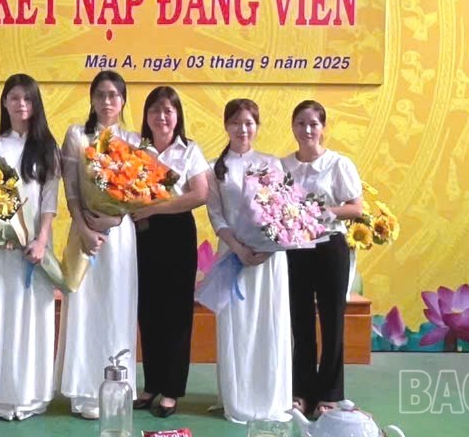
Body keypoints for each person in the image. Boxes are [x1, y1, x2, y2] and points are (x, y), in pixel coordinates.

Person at [0, 74, 61, 421]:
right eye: (14, 98)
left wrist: (41, 240)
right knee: (2, 314)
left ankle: (31, 395)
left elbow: (50, 200)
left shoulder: (47, 147)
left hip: (36, 247)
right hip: (2, 248)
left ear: (35, 104)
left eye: (27, 98)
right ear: (4, 102)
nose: (21, 104)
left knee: (34, 316)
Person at [55, 70, 142, 419]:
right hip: (85, 232)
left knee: (117, 307)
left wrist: (114, 220)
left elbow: (139, 192)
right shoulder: (77, 135)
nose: (107, 101)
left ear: (123, 101)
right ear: (91, 99)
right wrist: (84, 227)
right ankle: (83, 390)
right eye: (101, 94)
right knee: (85, 306)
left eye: (114, 95)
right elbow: (72, 189)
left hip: (120, 237)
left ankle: (117, 390)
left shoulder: (133, 140)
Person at [206, 99, 292, 425]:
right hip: (233, 256)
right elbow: (216, 215)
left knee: (269, 324)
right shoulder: (215, 168)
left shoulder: (272, 164)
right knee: (237, 326)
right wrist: (239, 249)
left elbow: (285, 211)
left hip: (269, 261)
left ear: (257, 126)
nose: (243, 129)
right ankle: (238, 399)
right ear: (226, 125)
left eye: (249, 123)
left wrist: (270, 247)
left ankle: (270, 397)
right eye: (236, 122)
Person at [282, 100, 364, 419]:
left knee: (332, 322)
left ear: (323, 128)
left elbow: (356, 207)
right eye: (300, 123)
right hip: (296, 249)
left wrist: (323, 212)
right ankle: (302, 391)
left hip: (330, 247)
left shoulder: (338, 164)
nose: (307, 130)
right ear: (292, 126)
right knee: (300, 322)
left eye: (313, 124)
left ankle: (330, 394)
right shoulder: (283, 166)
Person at [131, 86, 209, 418]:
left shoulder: (189, 150)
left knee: (176, 313)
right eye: (155, 110)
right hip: (143, 234)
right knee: (148, 311)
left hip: (177, 233)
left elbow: (200, 194)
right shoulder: (136, 149)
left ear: (177, 116)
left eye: (168, 110)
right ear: (146, 115)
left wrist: (154, 209)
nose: (161, 117)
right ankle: (151, 384)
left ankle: (172, 390)